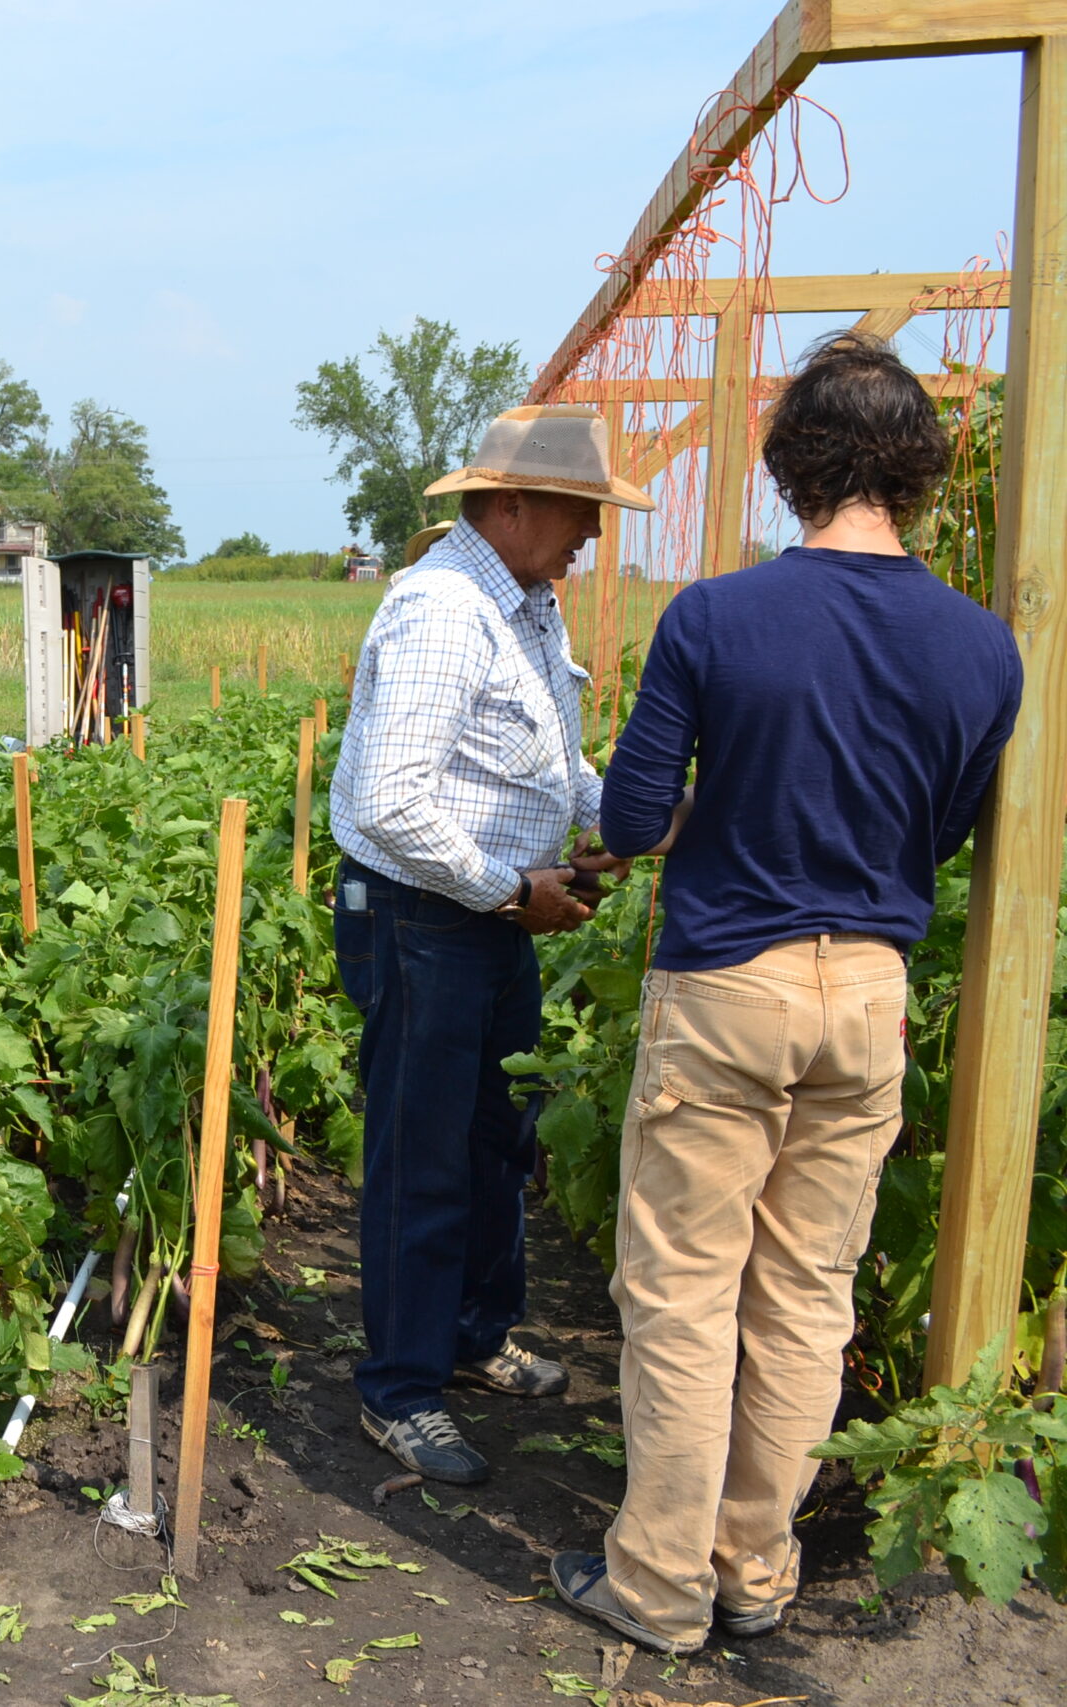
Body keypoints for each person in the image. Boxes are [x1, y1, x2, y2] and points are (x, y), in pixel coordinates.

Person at [551, 334, 1021, 1654]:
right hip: (869, 989)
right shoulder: (985, 651)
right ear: (920, 472)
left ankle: (656, 1583)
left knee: (688, 1284)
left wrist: (715, 810)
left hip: (728, 980)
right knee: (812, 1287)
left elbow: (637, 813)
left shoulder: (715, 615)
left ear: (790, 465)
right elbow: (936, 832)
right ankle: (759, 1568)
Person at [328, 404, 651, 1485]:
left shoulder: (525, 602)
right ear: (508, 504)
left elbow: (545, 764)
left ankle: (470, 1335)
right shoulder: (440, 609)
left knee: (493, 1143)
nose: (592, 537)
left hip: (494, 912)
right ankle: (400, 1388)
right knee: (422, 1158)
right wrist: (512, 890)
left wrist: (626, 820)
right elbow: (387, 803)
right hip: (425, 917)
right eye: (579, 512)